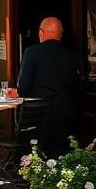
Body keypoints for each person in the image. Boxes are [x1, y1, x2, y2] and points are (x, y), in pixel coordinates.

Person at [17, 16, 80, 156]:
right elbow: (75, 86)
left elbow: (23, 88)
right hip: (67, 115)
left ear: (41, 32)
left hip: (39, 117)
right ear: (60, 34)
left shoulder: (31, 53)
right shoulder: (71, 56)